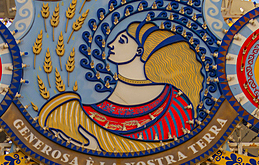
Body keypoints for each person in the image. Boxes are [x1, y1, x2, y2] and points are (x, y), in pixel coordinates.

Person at [39, 22, 202, 151]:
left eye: (121, 40)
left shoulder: (174, 104)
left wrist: (95, 154)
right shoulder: (72, 113)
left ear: (140, 51)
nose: (110, 44)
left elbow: (173, 155)